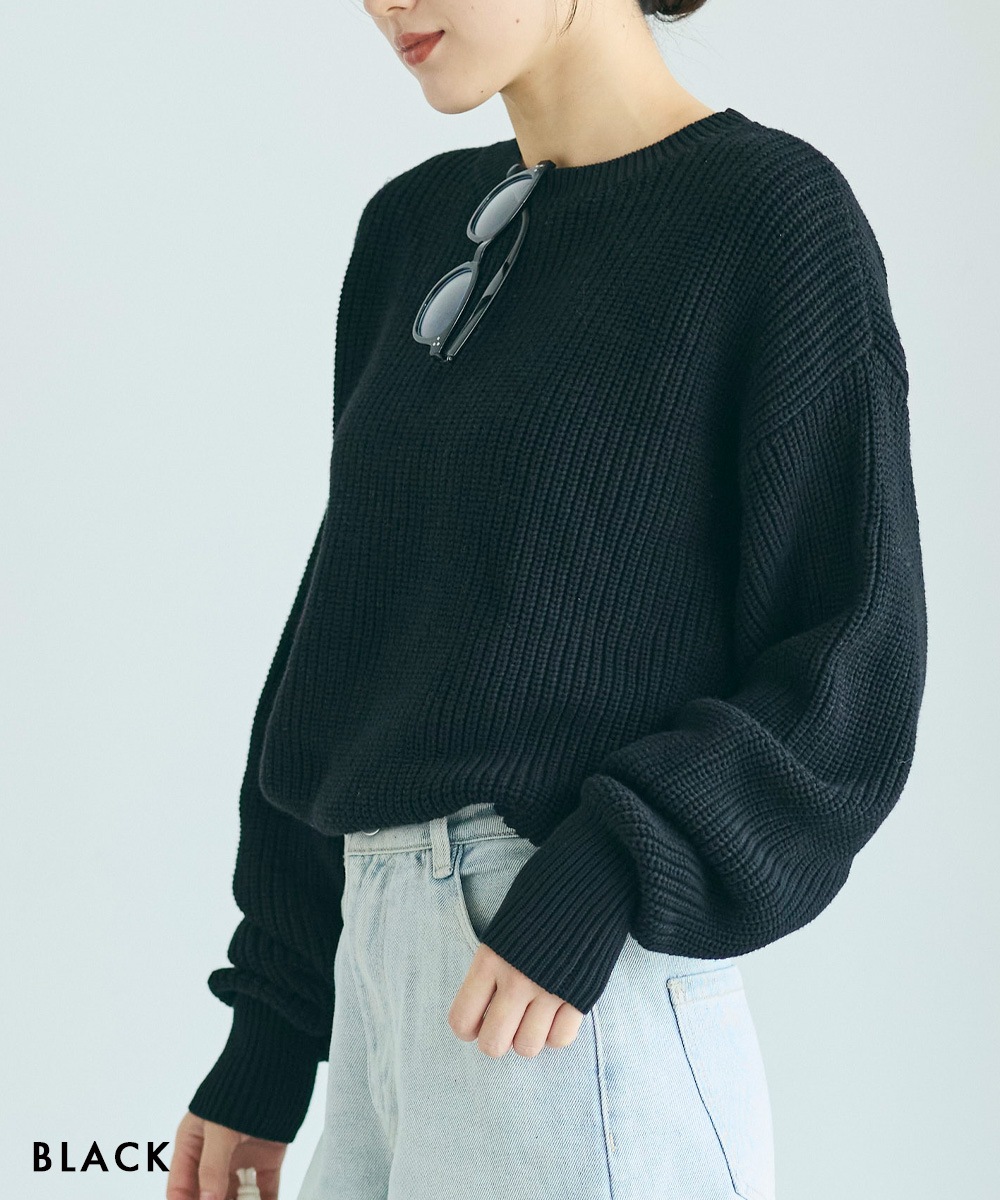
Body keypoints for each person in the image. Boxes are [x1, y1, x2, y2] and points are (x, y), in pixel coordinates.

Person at [166, 0, 928, 1196]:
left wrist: (609, 867)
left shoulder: (767, 216)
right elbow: (346, 639)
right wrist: (273, 1024)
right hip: (378, 988)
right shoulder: (412, 226)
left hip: (569, 1001)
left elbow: (849, 650)